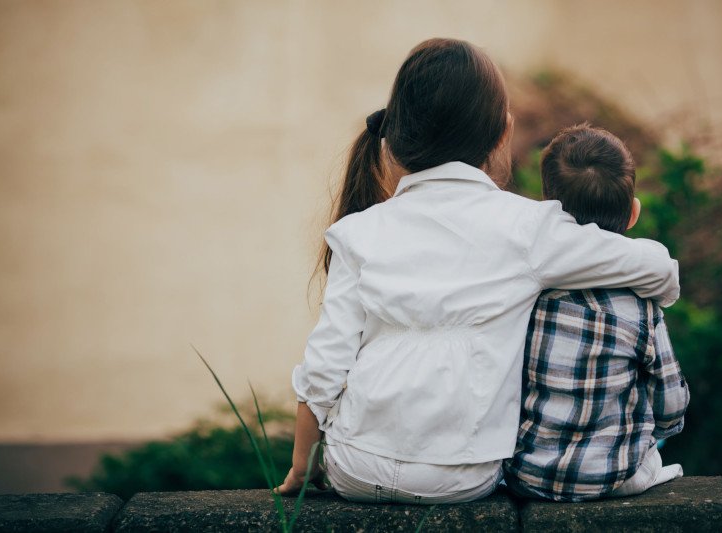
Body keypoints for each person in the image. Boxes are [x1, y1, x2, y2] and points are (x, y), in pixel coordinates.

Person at [275, 39, 680, 504]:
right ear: (503, 132)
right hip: (462, 476)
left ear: (393, 136)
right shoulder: (529, 230)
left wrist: (303, 468)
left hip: (354, 467)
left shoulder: (358, 232)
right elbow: (655, 267)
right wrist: (662, 288)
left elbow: (324, 367)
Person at [503, 124, 690, 502]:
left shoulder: (529, 291)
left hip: (526, 476)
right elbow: (671, 409)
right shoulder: (642, 308)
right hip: (611, 480)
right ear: (633, 212)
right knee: (656, 451)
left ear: (549, 209)